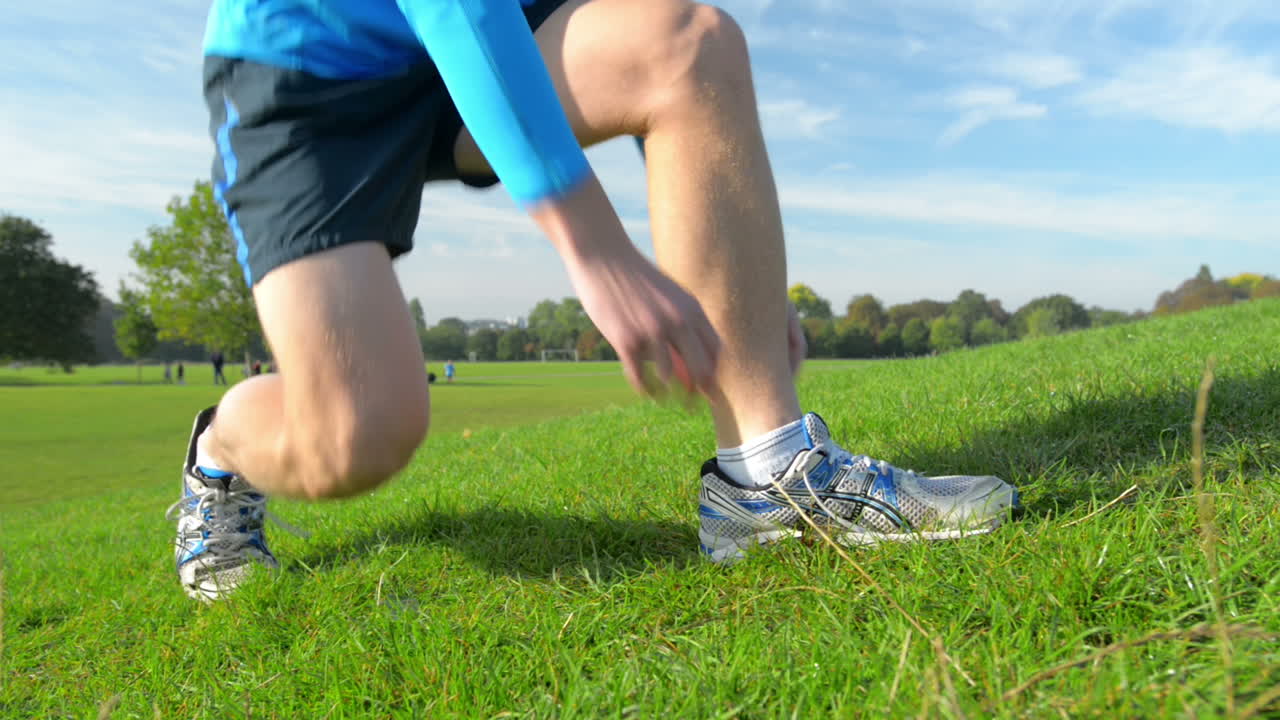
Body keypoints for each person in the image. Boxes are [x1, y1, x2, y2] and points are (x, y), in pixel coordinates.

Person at [171, 0, 1019, 601]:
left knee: (691, 46)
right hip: (304, 72)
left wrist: (742, 285)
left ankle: (770, 484)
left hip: (496, 16)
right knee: (359, 435)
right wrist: (595, 247)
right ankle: (223, 451)